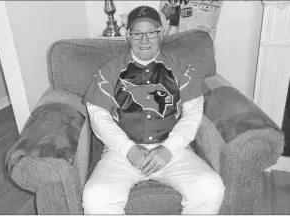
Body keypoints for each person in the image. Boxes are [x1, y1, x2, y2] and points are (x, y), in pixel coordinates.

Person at [81, 5, 225, 214]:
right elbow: (98, 116)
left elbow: (194, 112)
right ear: (128, 36)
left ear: (161, 34)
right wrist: (128, 149)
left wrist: (169, 149)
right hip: (120, 152)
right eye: (137, 33)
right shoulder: (109, 70)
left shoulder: (182, 68)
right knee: (95, 197)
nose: (144, 40)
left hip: (172, 150)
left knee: (211, 188)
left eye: (151, 32)